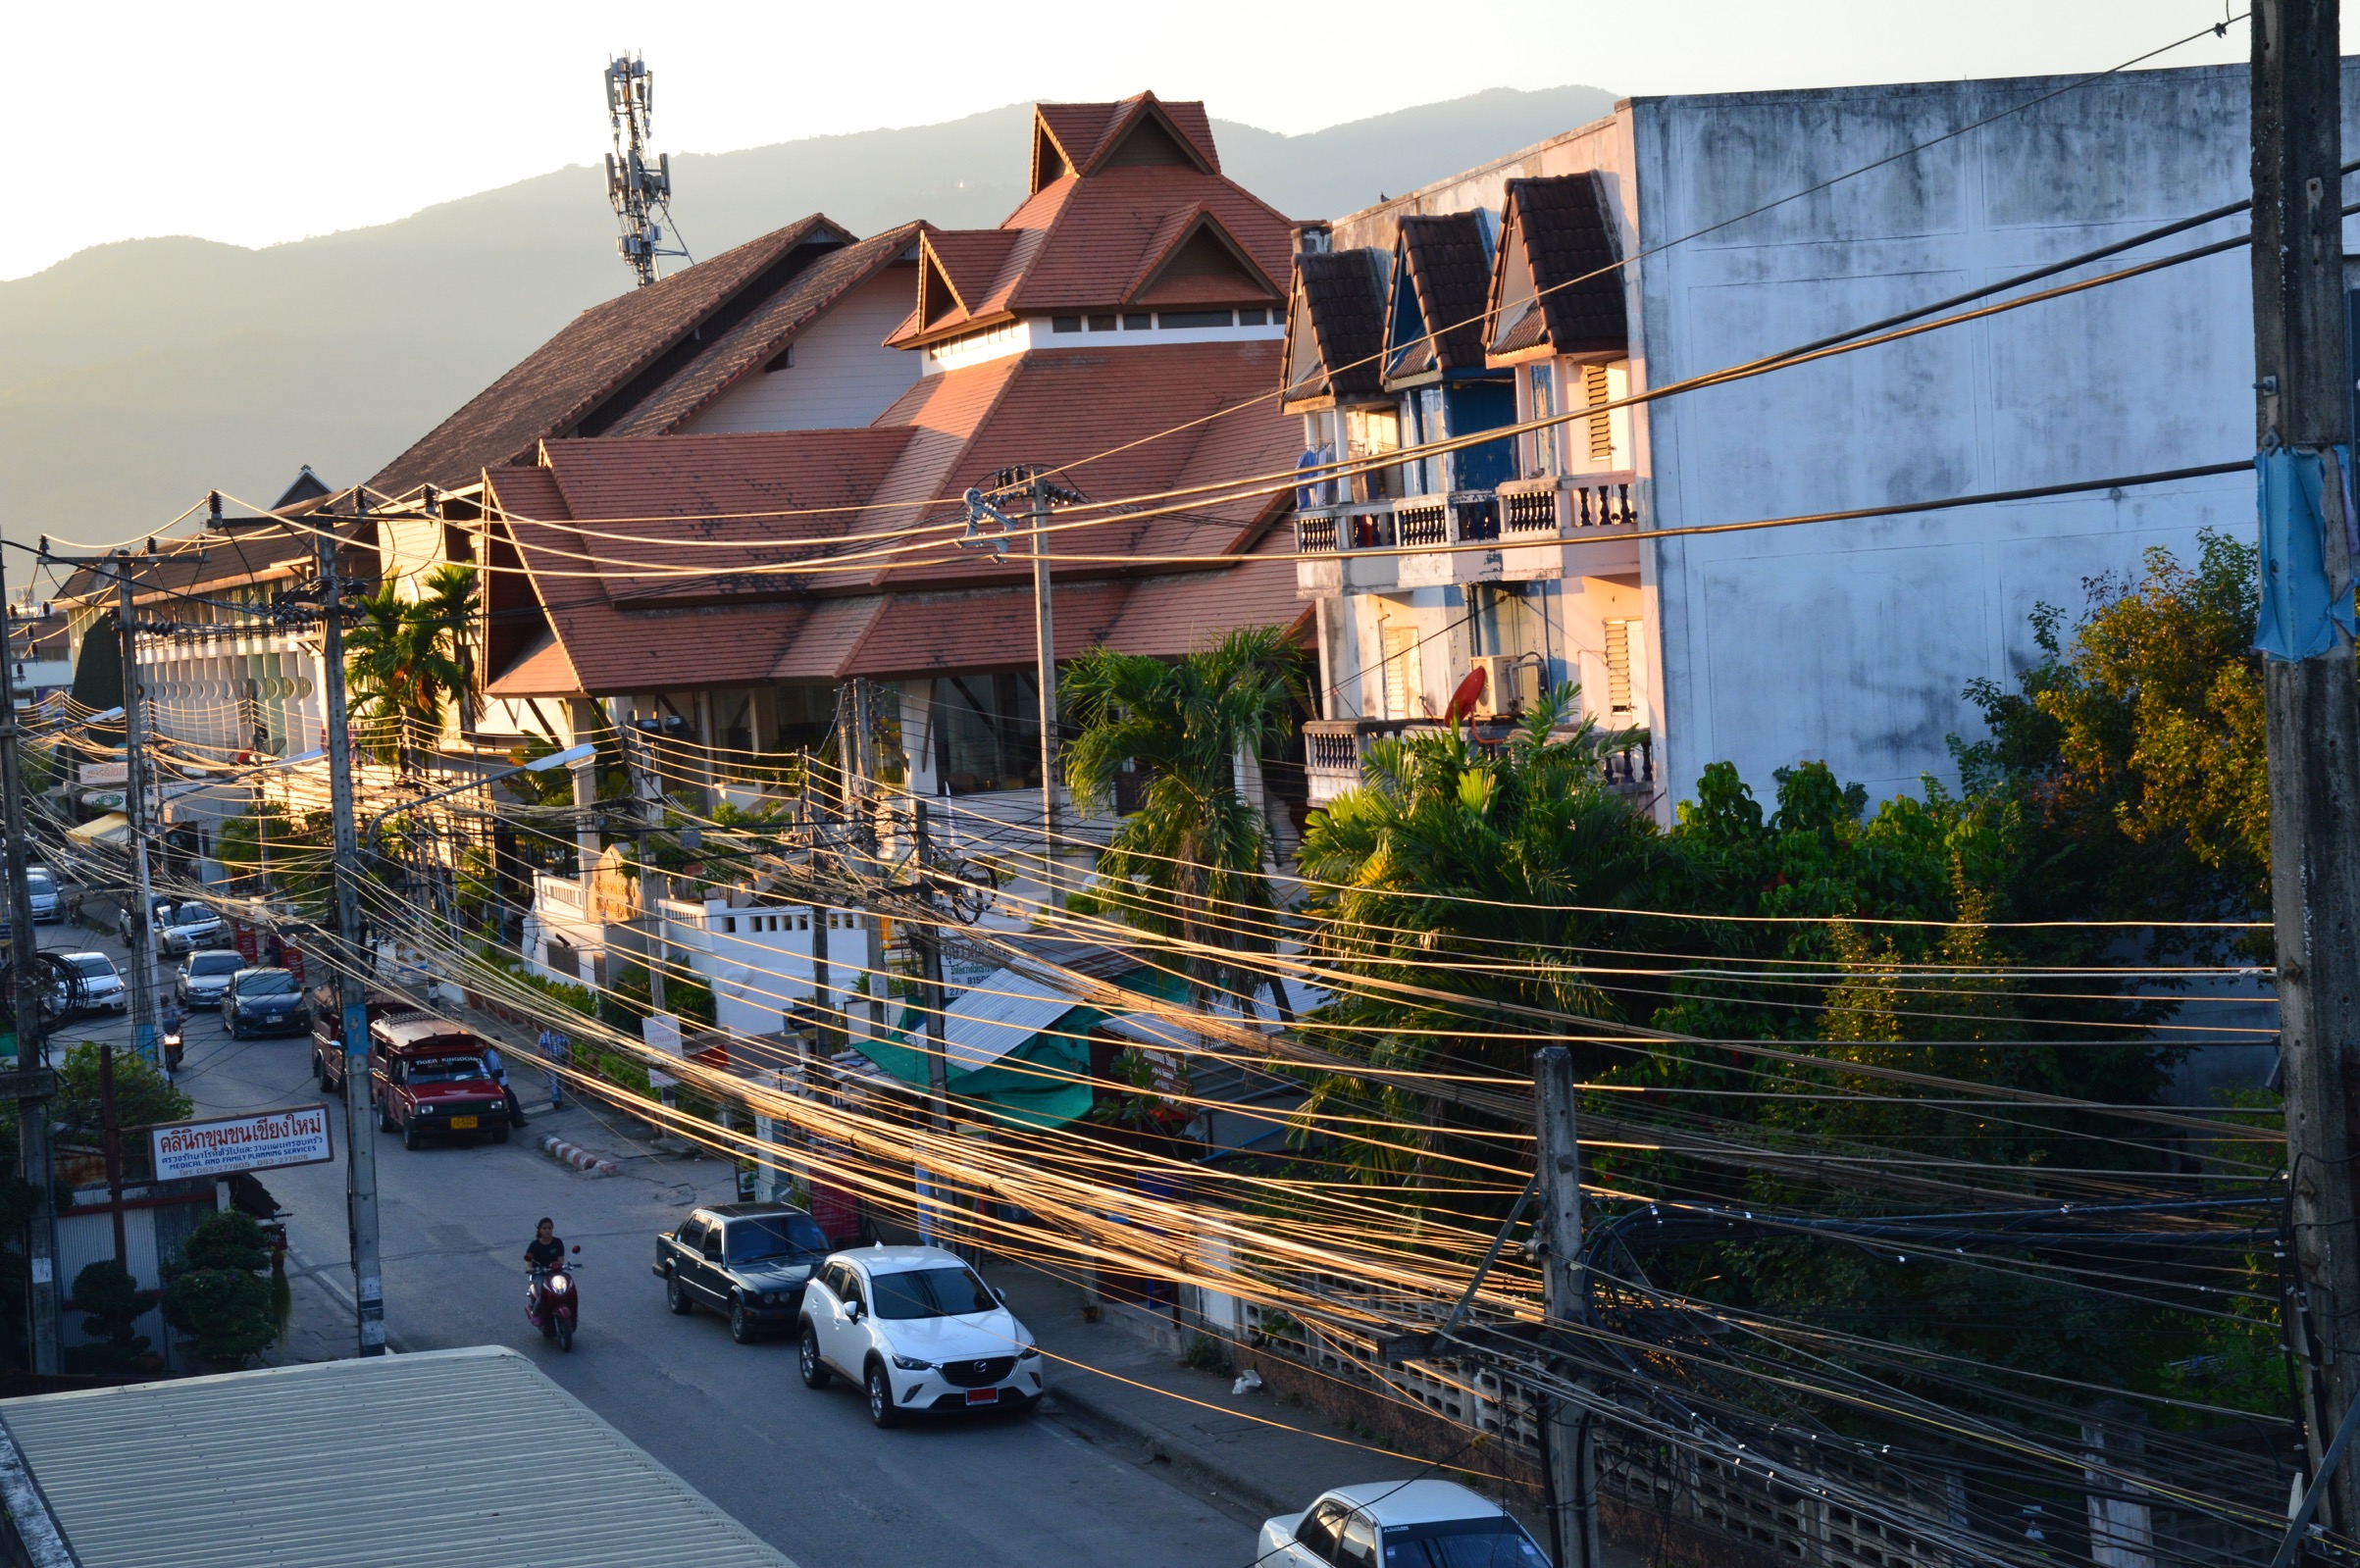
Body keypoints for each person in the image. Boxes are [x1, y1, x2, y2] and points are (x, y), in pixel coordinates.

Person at [482, 1043, 527, 1128]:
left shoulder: (492, 1054)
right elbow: (494, 1071)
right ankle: (518, 1121)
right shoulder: (491, 1056)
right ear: (495, 1045)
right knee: (512, 1101)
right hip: (501, 1084)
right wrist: (499, 1085)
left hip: (502, 1082)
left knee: (511, 1100)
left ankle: (517, 1120)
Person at [535, 1024, 570, 1110]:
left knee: (560, 1081)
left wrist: (569, 1062)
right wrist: (540, 1062)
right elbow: (541, 1050)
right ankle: (556, 1100)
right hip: (550, 1061)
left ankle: (559, 1099)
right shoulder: (544, 1036)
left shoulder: (562, 1036)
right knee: (553, 1081)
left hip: (561, 1060)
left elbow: (569, 1047)